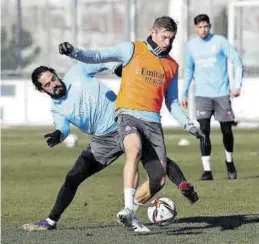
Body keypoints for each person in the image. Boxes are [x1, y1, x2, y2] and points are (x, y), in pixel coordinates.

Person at [58, 16, 205, 228]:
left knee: (159, 180)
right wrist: (74, 52)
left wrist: (189, 125)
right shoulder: (132, 50)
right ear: (153, 31)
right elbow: (98, 56)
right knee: (133, 149)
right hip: (128, 115)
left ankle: (131, 213)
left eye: (172, 39)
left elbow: (171, 101)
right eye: (165, 37)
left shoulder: (172, 66)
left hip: (153, 122)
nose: (168, 43)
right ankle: (128, 207)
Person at [22, 62, 198, 233]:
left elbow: (102, 63)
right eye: (48, 84)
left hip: (125, 123)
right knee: (73, 177)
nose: (54, 84)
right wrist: (59, 134)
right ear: (41, 90)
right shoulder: (56, 109)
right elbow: (64, 128)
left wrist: (117, 69)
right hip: (103, 140)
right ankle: (51, 221)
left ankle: (182, 184)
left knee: (158, 162)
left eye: (53, 78)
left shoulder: (77, 72)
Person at [181, 14, 243, 181]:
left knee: (226, 130)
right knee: (204, 131)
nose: (203, 30)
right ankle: (207, 170)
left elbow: (236, 60)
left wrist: (237, 86)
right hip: (202, 95)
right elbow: (188, 71)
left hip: (222, 93)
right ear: (195, 28)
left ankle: (229, 162)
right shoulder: (191, 46)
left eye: (206, 26)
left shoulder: (220, 42)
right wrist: (184, 92)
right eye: (200, 27)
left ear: (210, 26)